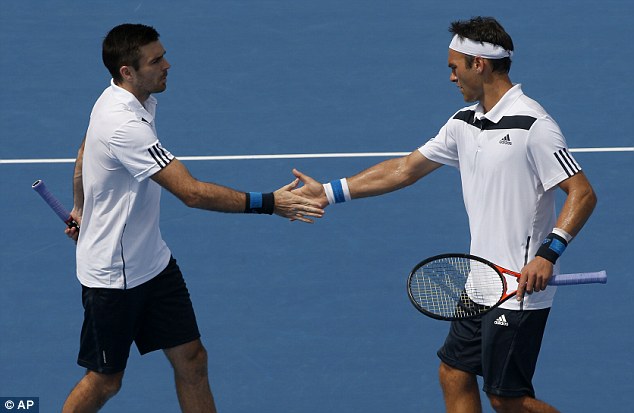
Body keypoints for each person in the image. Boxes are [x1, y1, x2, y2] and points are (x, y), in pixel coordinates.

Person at [292, 16, 597, 413]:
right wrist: (330, 193)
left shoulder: (534, 125)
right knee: (453, 372)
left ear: (479, 65)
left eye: (455, 67)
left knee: (506, 400)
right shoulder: (463, 123)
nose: (451, 77)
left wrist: (548, 253)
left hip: (517, 289)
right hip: (479, 282)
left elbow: (583, 192)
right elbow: (405, 168)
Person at [62, 23, 323, 413]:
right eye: (156, 60)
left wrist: (81, 207)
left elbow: (84, 151)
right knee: (105, 380)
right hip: (113, 280)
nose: (168, 64)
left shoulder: (123, 97)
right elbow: (192, 192)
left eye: (163, 54)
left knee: (193, 360)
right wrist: (270, 202)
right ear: (127, 71)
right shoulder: (123, 124)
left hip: (153, 263)